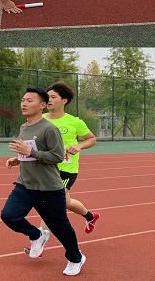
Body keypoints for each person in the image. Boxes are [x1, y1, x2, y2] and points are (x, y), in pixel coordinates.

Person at [1, 88, 86, 276]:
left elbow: (57, 156)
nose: (24, 104)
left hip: (48, 188)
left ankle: (76, 258)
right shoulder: (24, 127)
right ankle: (36, 235)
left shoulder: (50, 129)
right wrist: (19, 158)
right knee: (9, 216)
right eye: (23, 100)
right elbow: (31, 151)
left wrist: (30, 152)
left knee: (60, 227)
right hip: (25, 184)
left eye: (29, 101)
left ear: (42, 105)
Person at [44, 82, 100, 234]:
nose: (48, 100)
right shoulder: (39, 120)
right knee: (66, 202)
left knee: (51, 201)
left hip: (66, 169)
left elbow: (91, 139)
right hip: (45, 168)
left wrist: (79, 146)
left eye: (53, 97)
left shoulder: (75, 122)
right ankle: (90, 216)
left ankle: (39, 238)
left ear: (64, 100)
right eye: (47, 97)